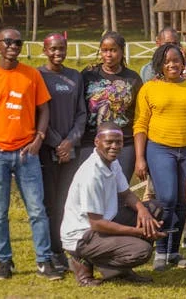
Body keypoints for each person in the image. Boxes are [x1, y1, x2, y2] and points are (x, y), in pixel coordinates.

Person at [0, 27, 62, 281]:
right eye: (8, 41)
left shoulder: (31, 75)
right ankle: (4, 262)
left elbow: (44, 109)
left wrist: (39, 138)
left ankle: (43, 260)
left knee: (37, 210)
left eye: (18, 42)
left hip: (26, 153)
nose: (13, 46)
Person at [133, 43, 186, 271]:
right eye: (167, 61)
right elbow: (140, 124)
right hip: (160, 149)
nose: (172, 65)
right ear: (159, 64)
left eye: (176, 60)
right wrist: (140, 157)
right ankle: (161, 251)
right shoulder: (149, 88)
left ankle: (174, 252)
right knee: (166, 198)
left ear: (183, 63)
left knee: (184, 200)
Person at [61, 122, 165, 287]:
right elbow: (96, 224)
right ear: (97, 142)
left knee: (154, 209)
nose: (114, 146)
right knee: (142, 250)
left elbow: (126, 193)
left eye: (118, 142)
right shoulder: (91, 174)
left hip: (104, 221)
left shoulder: (112, 161)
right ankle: (82, 259)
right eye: (109, 142)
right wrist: (138, 232)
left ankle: (117, 270)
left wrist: (143, 211)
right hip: (83, 234)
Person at [38, 32, 87, 272]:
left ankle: (65, 248)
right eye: (53, 49)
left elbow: (82, 113)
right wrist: (57, 143)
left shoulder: (74, 76)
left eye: (62, 49)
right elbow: (38, 115)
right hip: (47, 150)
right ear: (44, 50)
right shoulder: (37, 75)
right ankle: (51, 251)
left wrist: (70, 142)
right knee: (49, 203)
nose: (58, 53)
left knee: (67, 203)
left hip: (71, 151)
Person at [80, 31, 143, 181]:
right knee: (92, 183)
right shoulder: (88, 75)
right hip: (91, 140)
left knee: (118, 188)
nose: (108, 54)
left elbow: (139, 115)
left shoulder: (133, 78)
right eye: (105, 50)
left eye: (113, 50)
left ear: (122, 51)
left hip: (124, 143)